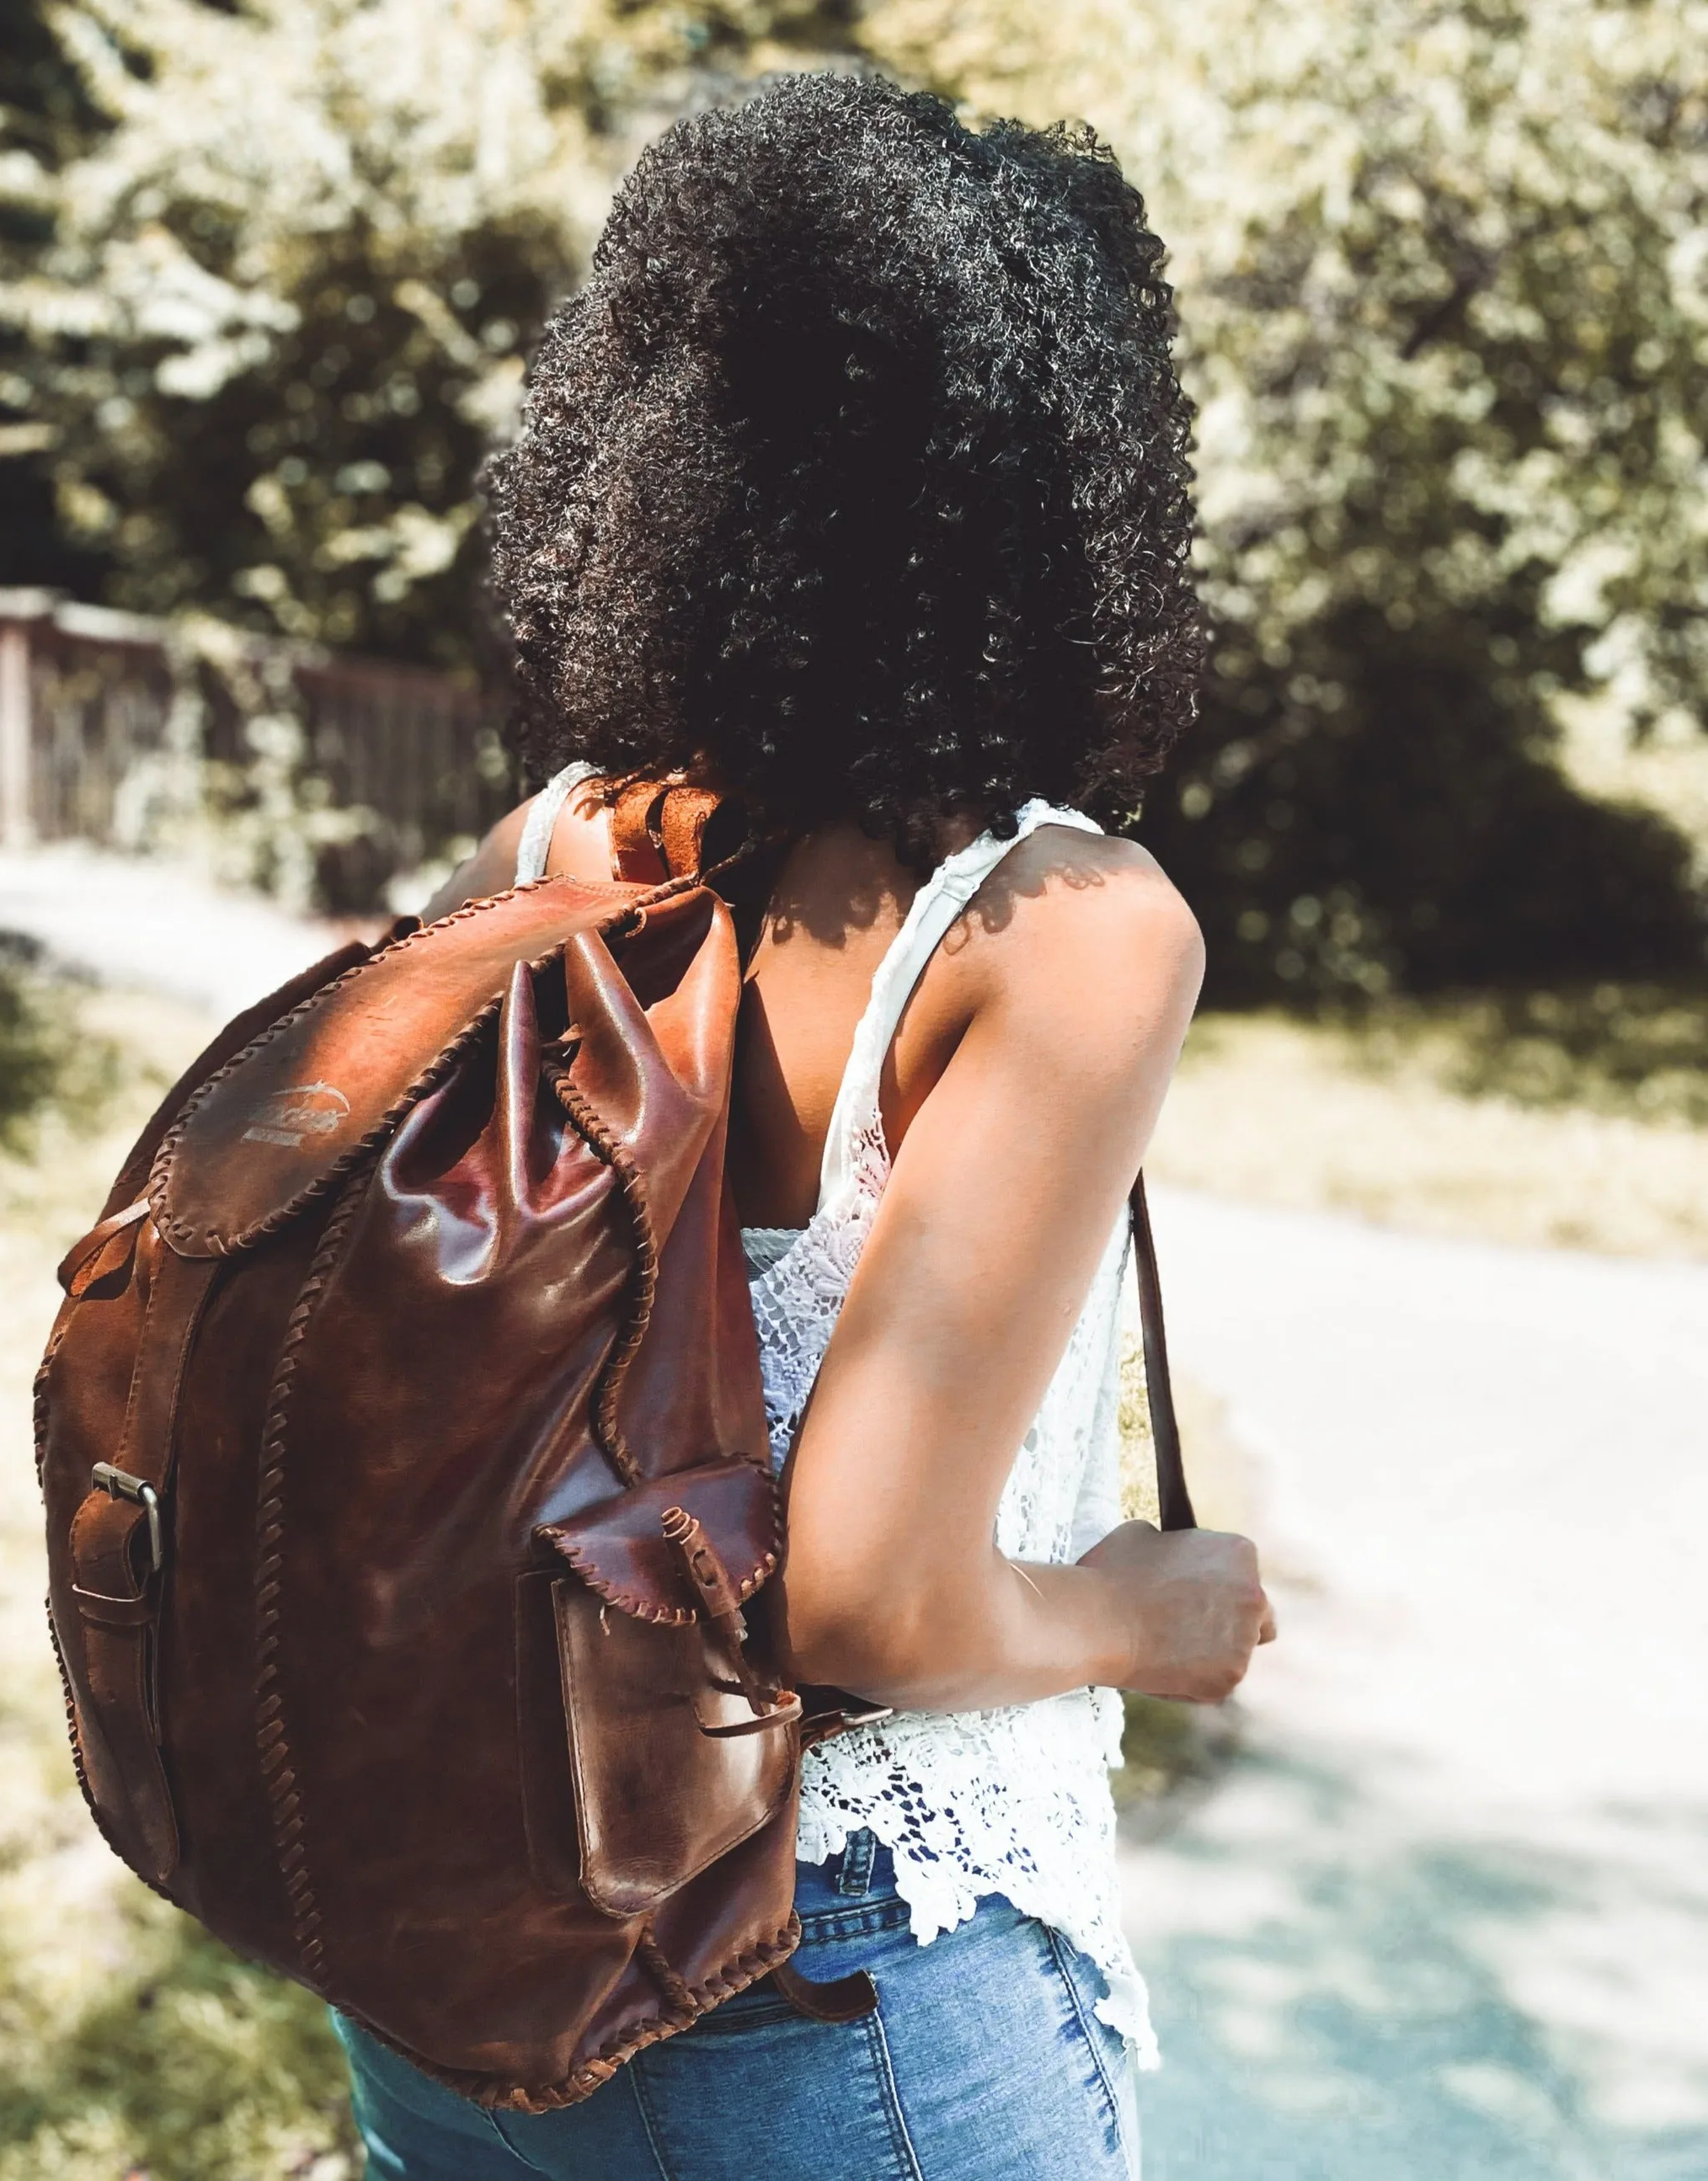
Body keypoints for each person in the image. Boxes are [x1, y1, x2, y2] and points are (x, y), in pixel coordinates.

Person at [335, 70, 1275, 2180]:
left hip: (479, 1926)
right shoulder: (1058, 928)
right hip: (819, 1964)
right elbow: (853, 1592)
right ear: (1056, 493)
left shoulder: (574, 839)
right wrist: (1151, 1606)